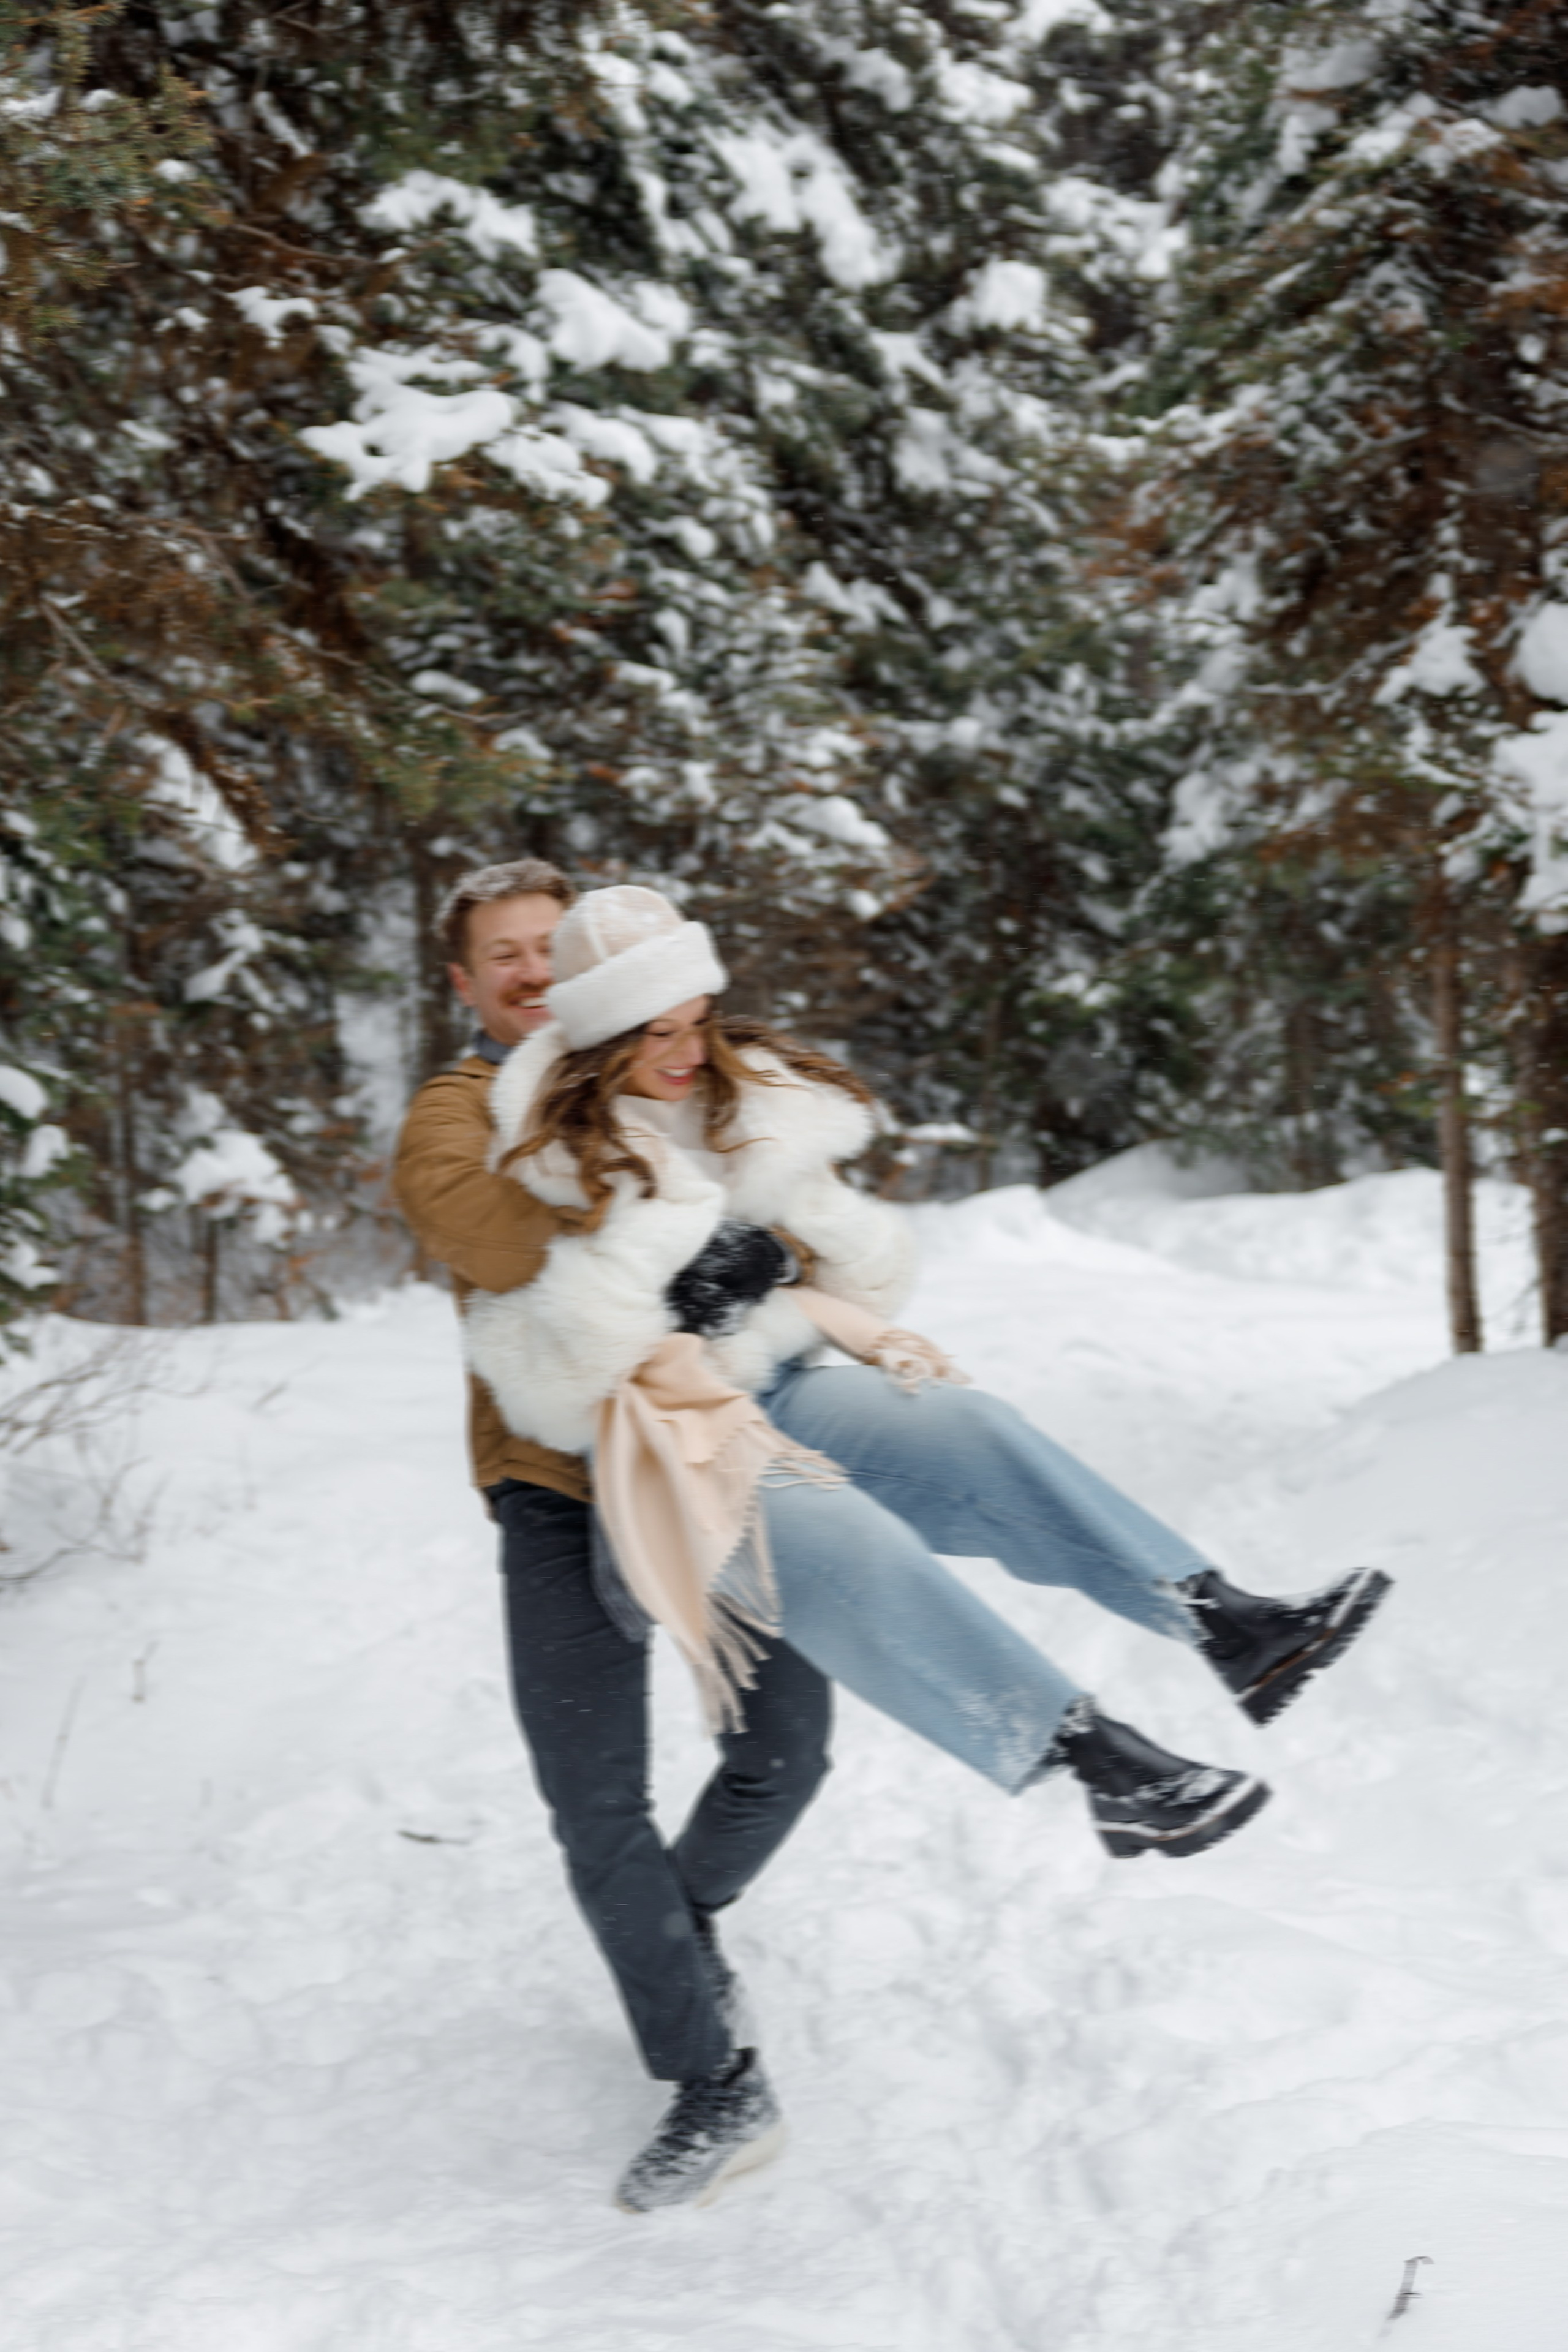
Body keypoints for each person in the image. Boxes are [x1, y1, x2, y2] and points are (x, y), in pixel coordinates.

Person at [394, 869, 1391, 2217]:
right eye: (496, 957)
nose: (518, 972)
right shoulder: (470, 1110)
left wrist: (767, 1258)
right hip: (571, 1483)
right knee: (596, 1799)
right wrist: (653, 1239)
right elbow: (478, 1223)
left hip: (749, 1398)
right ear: (467, 983)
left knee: (793, 1733)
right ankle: (710, 2072)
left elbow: (798, 1217)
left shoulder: (689, 1061)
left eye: (538, 949)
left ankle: (1221, 1619)